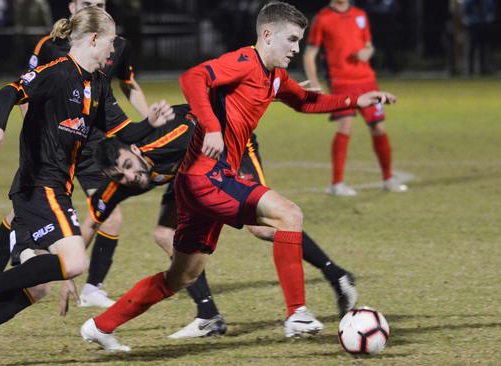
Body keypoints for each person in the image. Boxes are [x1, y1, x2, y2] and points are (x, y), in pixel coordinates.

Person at [79, 1, 395, 350]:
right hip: (207, 176)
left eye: (299, 41)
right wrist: (212, 128)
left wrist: (356, 100)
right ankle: (297, 313)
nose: (296, 48)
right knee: (288, 214)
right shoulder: (245, 61)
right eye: (291, 40)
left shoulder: (274, 77)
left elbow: (305, 101)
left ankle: (101, 325)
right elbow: (193, 77)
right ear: (267, 34)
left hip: (197, 183)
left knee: (181, 276)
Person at [0, 8, 174, 366]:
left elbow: (121, 134)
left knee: (35, 286)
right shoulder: (58, 72)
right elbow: (8, 91)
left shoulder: (99, 83)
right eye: (110, 41)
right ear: (93, 39)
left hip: (48, 189)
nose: (114, 49)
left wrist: (150, 123)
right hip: (40, 185)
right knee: (74, 260)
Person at [80, 115, 357, 340]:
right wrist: (68, 271)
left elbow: (213, 115)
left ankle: (336, 277)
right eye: (120, 175)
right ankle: (208, 316)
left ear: (136, 150)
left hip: (231, 146)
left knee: (263, 226)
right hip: (190, 176)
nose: (130, 176)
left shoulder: (169, 138)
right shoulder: (117, 187)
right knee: (165, 235)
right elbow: (92, 222)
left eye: (129, 165)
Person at [0, 0, 150, 309]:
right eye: (89, 3)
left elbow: (127, 91)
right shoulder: (52, 50)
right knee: (25, 218)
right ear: (73, 6)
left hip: (91, 149)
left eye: (100, 3)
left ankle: (91, 286)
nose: (96, 7)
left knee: (109, 217)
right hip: (50, 157)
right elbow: (18, 92)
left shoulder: (112, 49)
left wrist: (155, 123)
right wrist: (32, 132)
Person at [303, 0, 406, 196]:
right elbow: (310, 54)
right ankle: (336, 184)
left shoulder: (360, 15)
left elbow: (368, 45)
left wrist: (367, 52)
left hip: (367, 81)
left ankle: (388, 179)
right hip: (341, 82)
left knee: (378, 127)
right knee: (345, 126)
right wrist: (314, 82)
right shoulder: (323, 18)